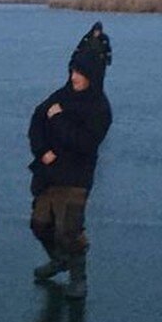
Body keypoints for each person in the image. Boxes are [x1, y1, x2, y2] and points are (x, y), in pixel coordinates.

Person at [27, 50, 111, 299]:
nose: (74, 77)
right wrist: (41, 151)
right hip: (49, 174)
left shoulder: (99, 108)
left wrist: (60, 118)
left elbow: (85, 142)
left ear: (92, 77)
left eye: (80, 74)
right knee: (40, 224)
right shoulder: (61, 95)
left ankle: (78, 278)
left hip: (76, 177)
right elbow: (37, 120)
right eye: (73, 72)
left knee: (69, 229)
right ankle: (59, 259)